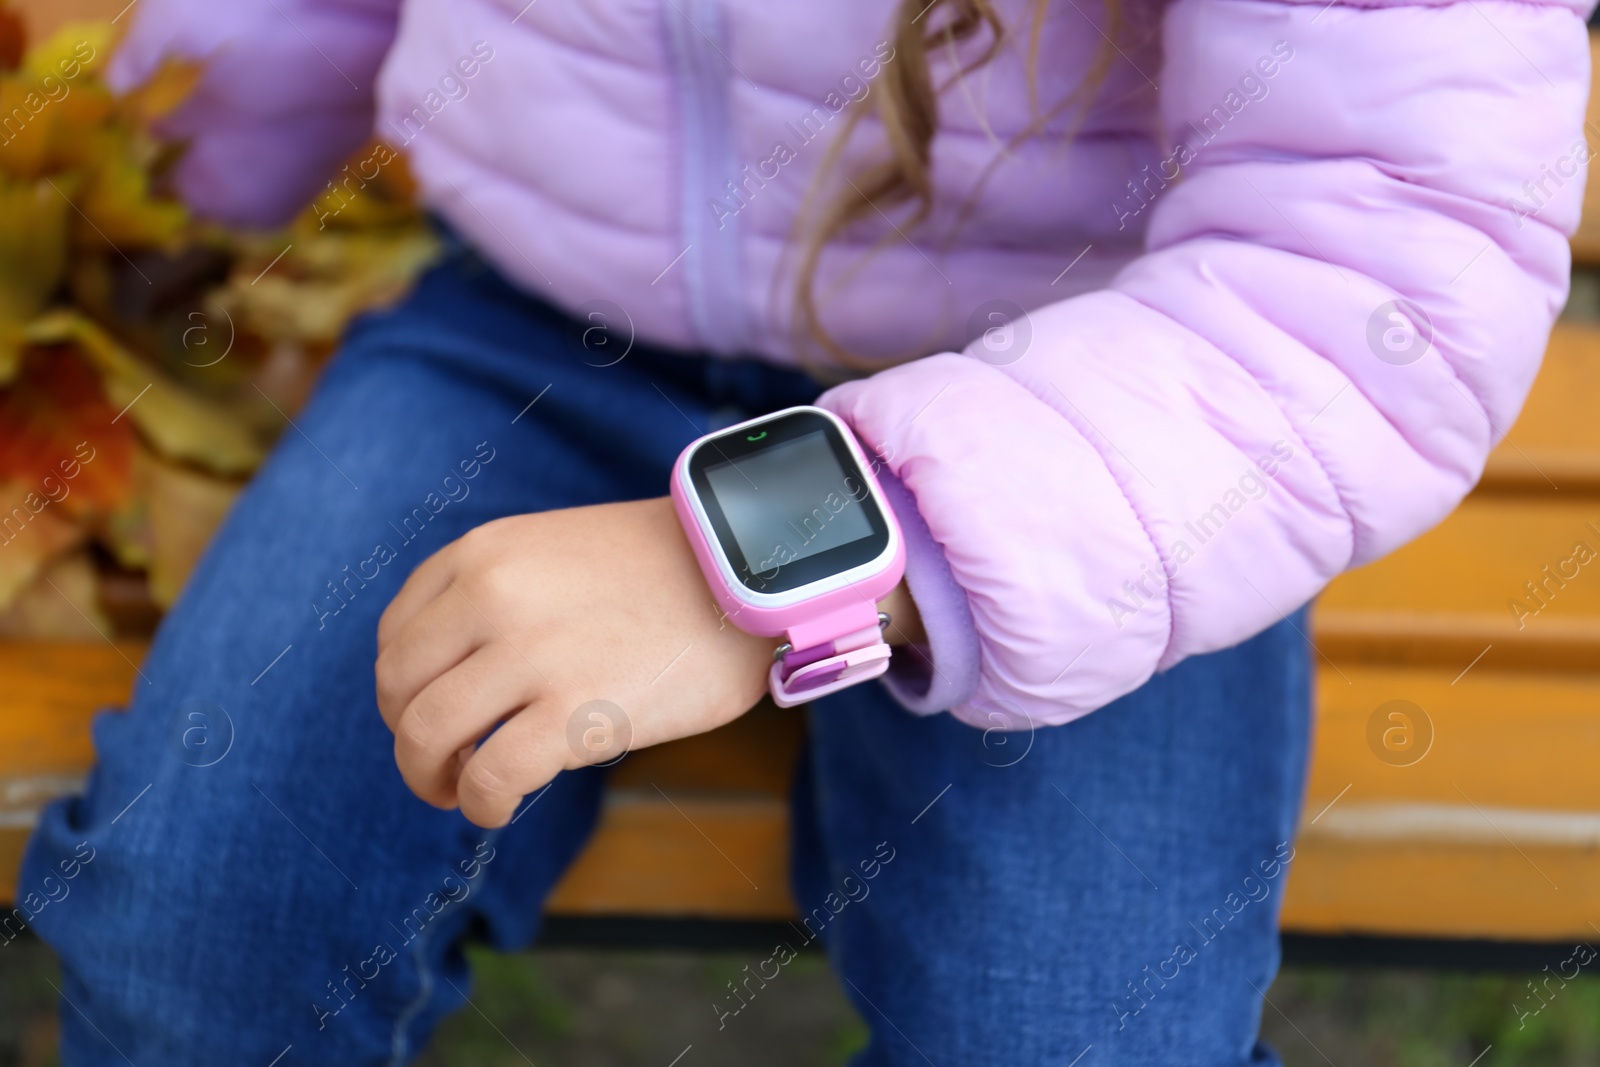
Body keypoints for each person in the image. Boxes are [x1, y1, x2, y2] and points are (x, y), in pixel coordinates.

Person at [19, 0, 1593, 1062]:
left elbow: (1375, 265)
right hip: (538, 316)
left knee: (1064, 1029)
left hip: (1100, 407)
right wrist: (154, 195)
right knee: (199, 929)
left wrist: (779, 567)